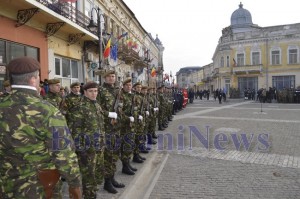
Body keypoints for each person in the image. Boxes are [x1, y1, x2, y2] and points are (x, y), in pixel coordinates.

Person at [0, 57, 81, 198]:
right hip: (38, 188)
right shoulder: (48, 111)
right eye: (38, 77)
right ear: (33, 79)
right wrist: (75, 183)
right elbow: (63, 153)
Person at [67, 81, 105, 199]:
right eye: (91, 91)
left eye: (95, 91)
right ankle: (89, 195)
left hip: (98, 146)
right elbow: (75, 130)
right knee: (88, 177)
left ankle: (92, 194)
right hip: (87, 149)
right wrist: (80, 149)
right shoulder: (80, 107)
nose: (94, 94)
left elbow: (100, 125)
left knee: (95, 175)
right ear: (85, 92)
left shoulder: (96, 105)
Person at [97, 70, 124, 194]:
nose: (112, 78)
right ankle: (107, 182)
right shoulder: (100, 91)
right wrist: (109, 114)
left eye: (113, 76)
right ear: (105, 78)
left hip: (117, 127)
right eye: (109, 76)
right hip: (107, 127)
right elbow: (97, 108)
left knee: (114, 154)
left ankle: (112, 178)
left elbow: (121, 106)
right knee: (108, 155)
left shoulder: (118, 91)